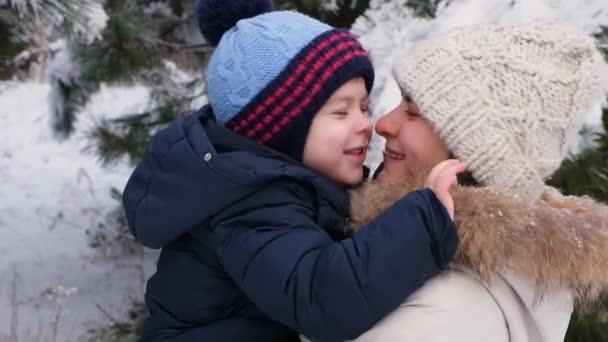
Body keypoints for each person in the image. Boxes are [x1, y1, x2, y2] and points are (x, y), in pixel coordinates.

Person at [121, 0, 464, 340]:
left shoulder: (290, 187)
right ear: (279, 130)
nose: (367, 124)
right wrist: (423, 223)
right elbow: (322, 299)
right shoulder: (253, 205)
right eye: (341, 112)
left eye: (363, 106)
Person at [337, 21, 608, 342]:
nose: (382, 124)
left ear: (476, 152)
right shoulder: (417, 267)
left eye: (412, 112)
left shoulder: (437, 318)